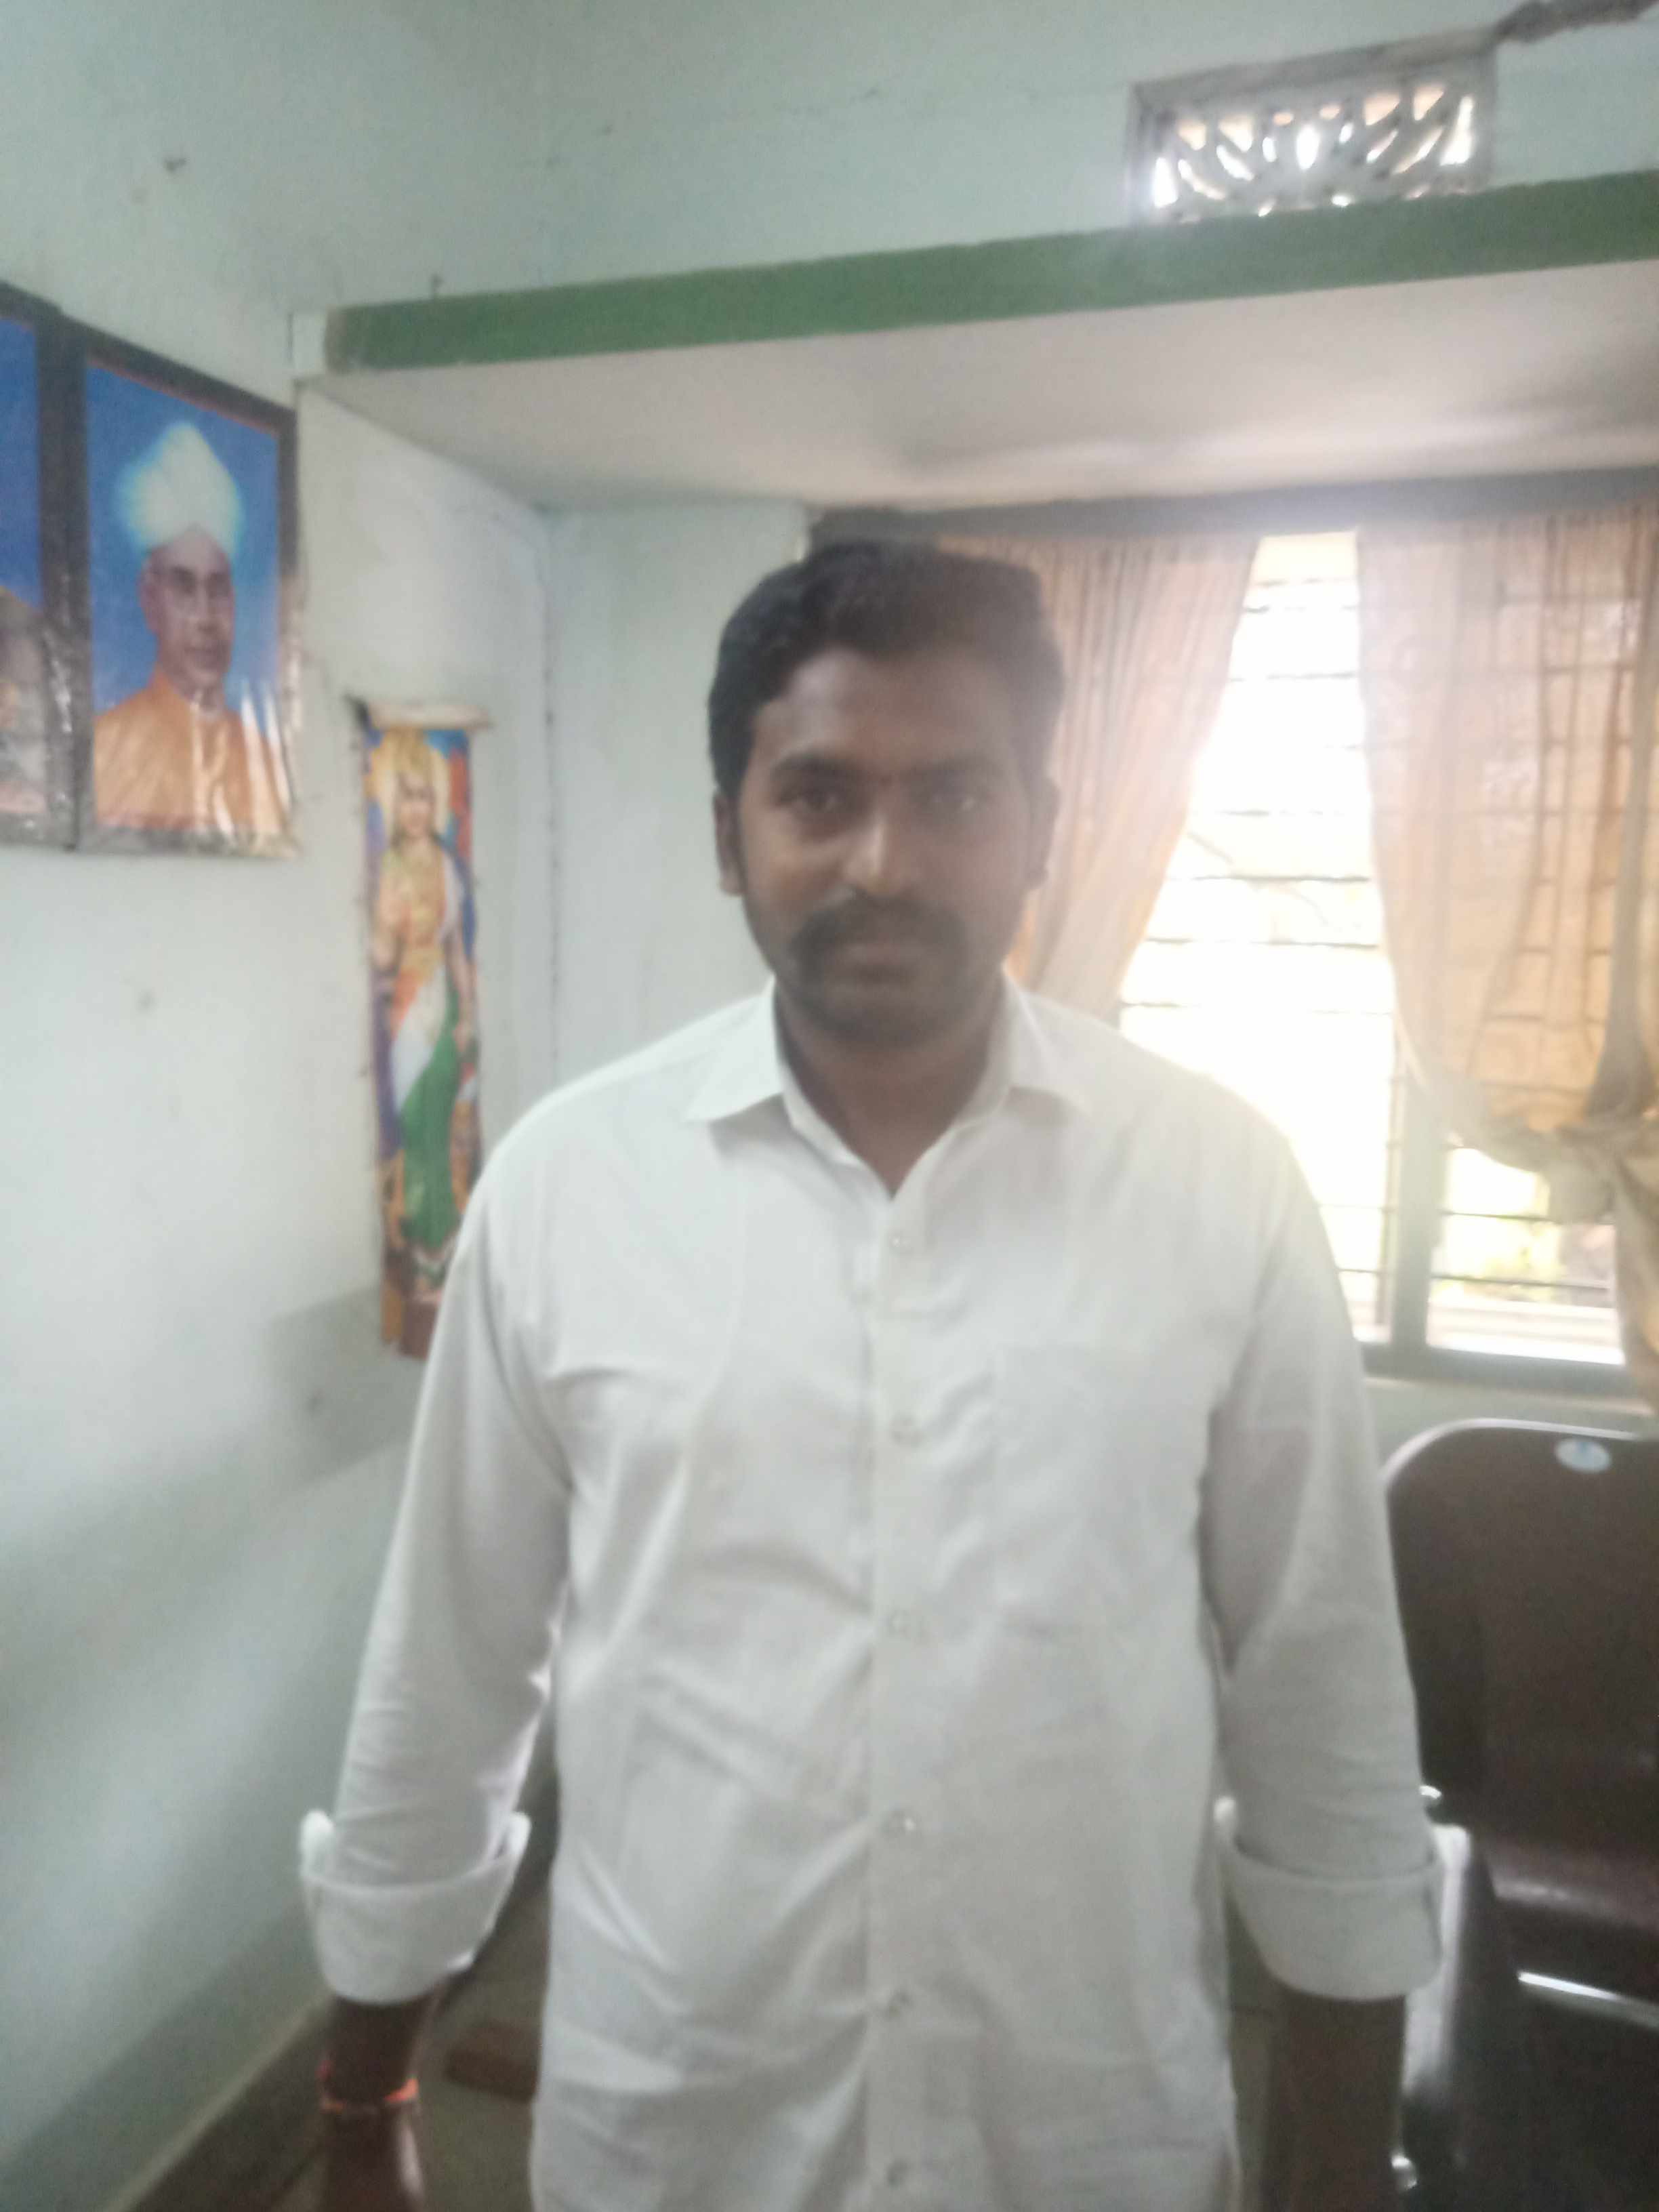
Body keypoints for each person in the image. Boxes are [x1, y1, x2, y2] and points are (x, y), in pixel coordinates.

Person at [302, 541, 1440, 2212]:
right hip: (678, 2133)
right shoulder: (565, 1190)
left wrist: (1334, 2172)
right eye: (818, 795)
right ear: (729, 835)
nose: (884, 863)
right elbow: (449, 1667)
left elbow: (1319, 1691)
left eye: (955, 797)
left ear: (1040, 829)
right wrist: (363, 2096)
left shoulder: (1219, 1187)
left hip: (1080, 2138)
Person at [92, 421, 285, 840]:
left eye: (218, 589)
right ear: (150, 600)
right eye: (184, 587)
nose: (205, 617)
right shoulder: (105, 750)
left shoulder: (266, 762)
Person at [370, 728, 480, 1348]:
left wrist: (467, 1016)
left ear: (435, 803)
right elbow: (383, 956)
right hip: (407, 1015)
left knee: (440, 1133)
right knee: (417, 1136)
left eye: (424, 796)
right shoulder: (387, 868)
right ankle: (422, 1267)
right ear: (395, 803)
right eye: (406, 796)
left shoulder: (446, 865)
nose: (416, 808)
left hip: (444, 1005)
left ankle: (445, 1259)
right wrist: (383, 932)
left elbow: (457, 946)